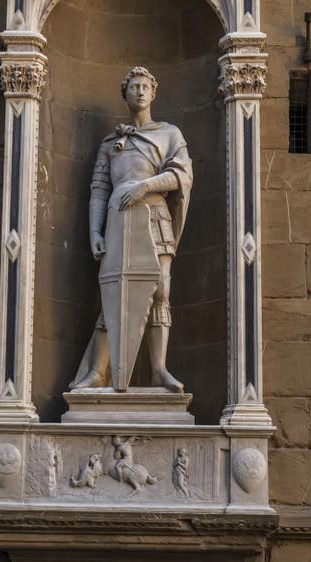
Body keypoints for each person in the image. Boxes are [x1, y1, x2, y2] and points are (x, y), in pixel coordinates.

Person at [69, 66, 192, 393]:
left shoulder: (169, 134)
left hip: (155, 216)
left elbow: (181, 175)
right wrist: (94, 232)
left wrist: (144, 186)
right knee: (113, 294)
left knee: (160, 291)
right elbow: (99, 188)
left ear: (154, 93)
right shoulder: (111, 143)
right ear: (125, 94)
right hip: (118, 221)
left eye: (145, 86)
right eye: (134, 86)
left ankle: (159, 370)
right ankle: (97, 372)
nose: (139, 91)